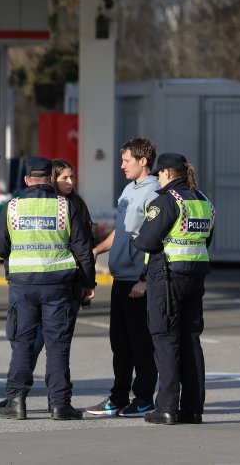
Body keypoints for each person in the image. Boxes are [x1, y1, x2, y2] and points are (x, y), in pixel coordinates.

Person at [0, 156, 96, 421]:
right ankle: (60, 405)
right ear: (51, 179)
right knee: (58, 346)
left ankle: (16, 402)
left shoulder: (12, 207)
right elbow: (83, 249)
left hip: (23, 286)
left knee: (23, 344)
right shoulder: (64, 206)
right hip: (58, 287)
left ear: (27, 180)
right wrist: (87, 283)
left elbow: (0, 247)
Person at [133, 153, 215, 425]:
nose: (157, 179)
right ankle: (192, 408)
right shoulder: (204, 201)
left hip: (167, 278)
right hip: (196, 276)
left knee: (165, 339)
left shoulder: (167, 201)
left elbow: (146, 241)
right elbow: (207, 239)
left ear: (168, 173)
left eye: (159, 174)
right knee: (191, 339)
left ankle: (166, 407)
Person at [86, 138, 160, 418]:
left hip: (137, 281)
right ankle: (118, 397)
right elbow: (121, 232)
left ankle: (143, 398)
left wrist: (145, 279)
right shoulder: (129, 189)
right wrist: (96, 250)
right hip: (120, 278)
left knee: (140, 343)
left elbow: (156, 240)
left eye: (126, 160)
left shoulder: (154, 193)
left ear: (143, 161)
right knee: (120, 344)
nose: (121, 166)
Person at [30, 159, 95, 373]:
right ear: (52, 179)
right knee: (35, 340)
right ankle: (19, 390)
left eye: (72, 177)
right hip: (40, 281)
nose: (70, 182)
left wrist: (87, 282)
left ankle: (55, 394)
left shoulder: (77, 205)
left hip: (70, 283)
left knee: (58, 344)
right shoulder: (43, 205)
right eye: (64, 177)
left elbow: (85, 248)